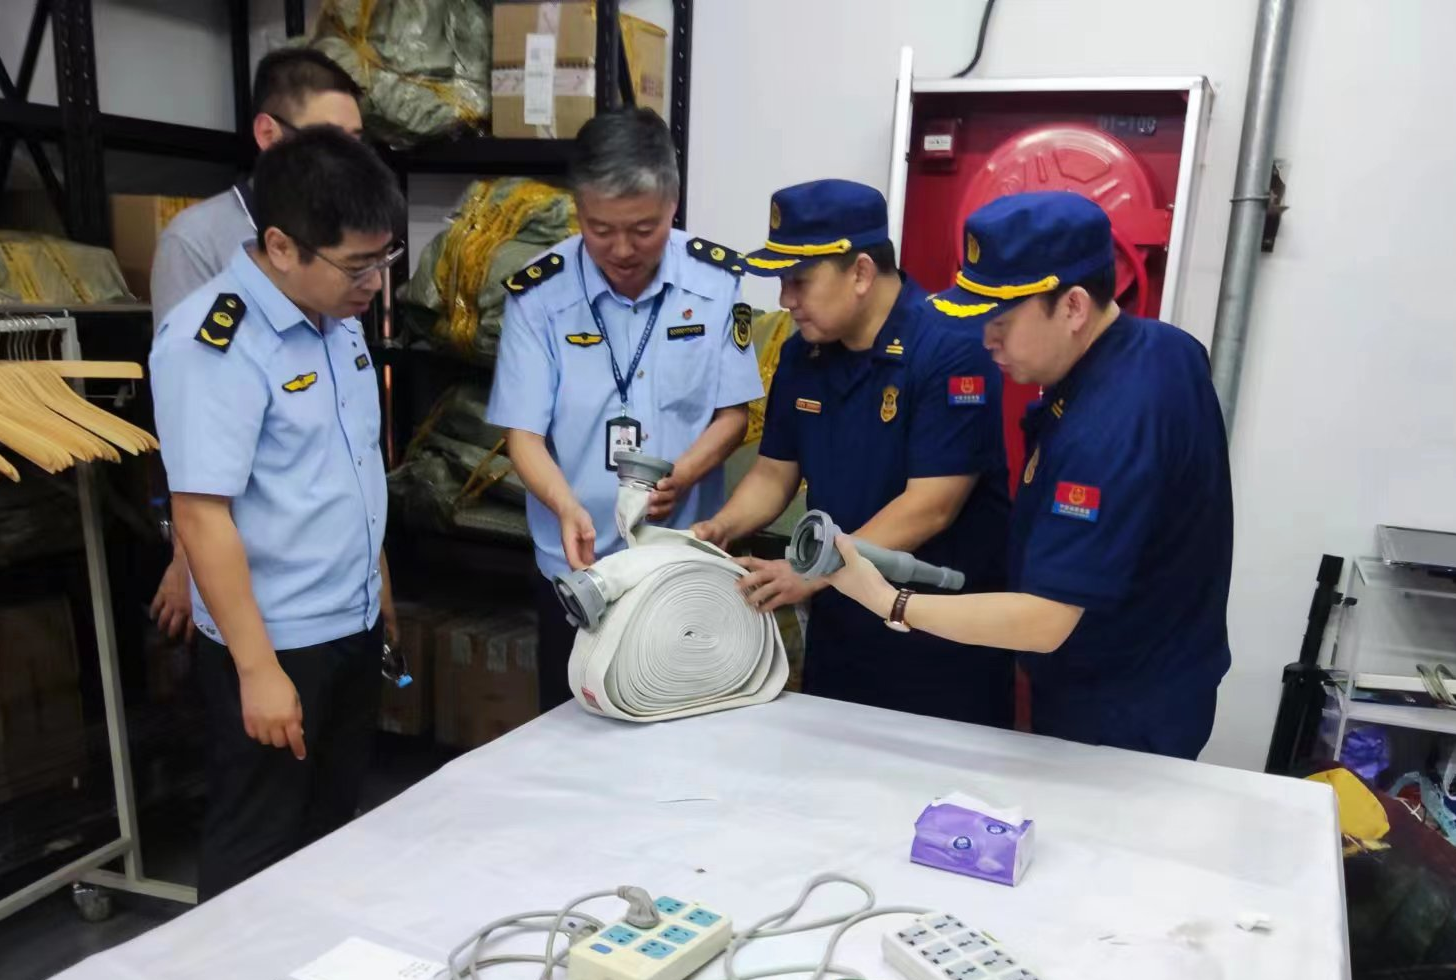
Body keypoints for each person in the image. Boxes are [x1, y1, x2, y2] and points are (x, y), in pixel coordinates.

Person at [826, 191, 1233, 759]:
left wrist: (891, 603)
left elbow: (1045, 620)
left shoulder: (1108, 426)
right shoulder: (1162, 346)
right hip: (1157, 666)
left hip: (1120, 709)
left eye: (1002, 320)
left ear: (1071, 308)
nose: (985, 338)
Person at [151, 127, 405, 899]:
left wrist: (380, 588)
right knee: (257, 840)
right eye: (358, 266)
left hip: (349, 625)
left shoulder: (338, 321)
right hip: (276, 642)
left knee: (330, 828)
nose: (374, 283)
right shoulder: (215, 341)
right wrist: (257, 671)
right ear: (282, 245)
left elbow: (354, 467)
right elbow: (202, 518)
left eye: (384, 261)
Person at [690, 180, 1013, 727]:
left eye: (799, 281)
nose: (785, 300)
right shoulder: (803, 355)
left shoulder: (950, 352)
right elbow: (774, 472)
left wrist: (808, 570)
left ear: (861, 273)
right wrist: (718, 528)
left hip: (938, 637)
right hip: (842, 629)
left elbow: (931, 505)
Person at [487, 107, 765, 711]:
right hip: (577, 564)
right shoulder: (540, 296)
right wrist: (564, 505)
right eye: (599, 227)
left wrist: (684, 474)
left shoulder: (715, 285)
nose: (620, 249)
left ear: (673, 203)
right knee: (575, 736)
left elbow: (733, 416)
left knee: (686, 731)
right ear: (578, 209)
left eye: (643, 229)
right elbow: (524, 435)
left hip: (682, 562)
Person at [148, 47, 364, 641]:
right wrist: (186, 560)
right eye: (329, 139)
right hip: (256, 582)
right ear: (269, 133)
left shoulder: (350, 234)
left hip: (333, 574)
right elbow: (190, 419)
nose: (349, 160)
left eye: (356, 140)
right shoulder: (199, 240)